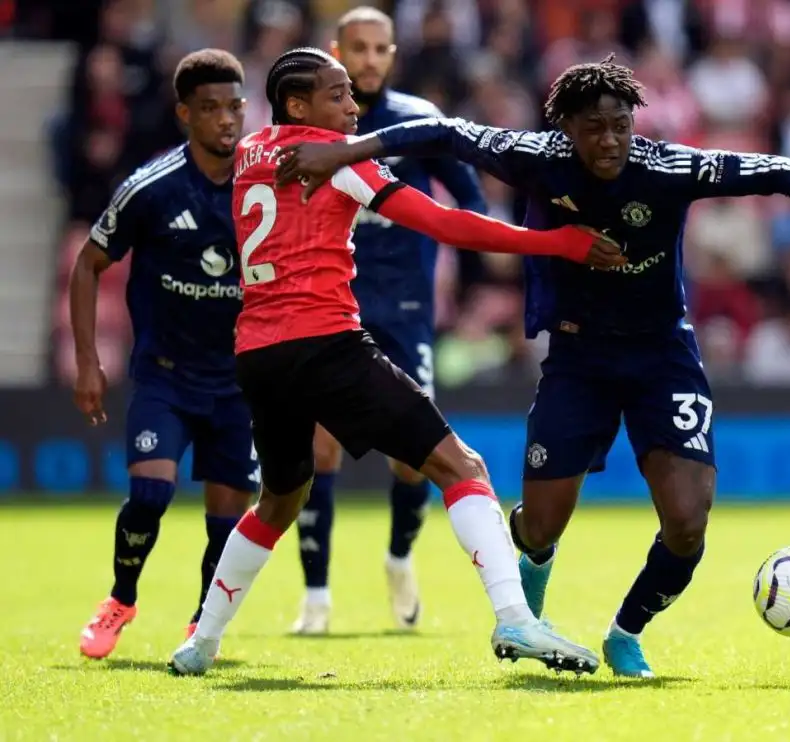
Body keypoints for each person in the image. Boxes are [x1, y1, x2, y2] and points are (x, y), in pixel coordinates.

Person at [274, 55, 790, 678]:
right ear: (564, 127)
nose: (609, 140)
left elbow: (776, 169)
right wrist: (349, 150)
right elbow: (444, 133)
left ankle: (626, 633)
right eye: (593, 128)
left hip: (663, 356)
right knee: (539, 528)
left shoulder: (665, 167)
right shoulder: (536, 158)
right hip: (578, 358)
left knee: (687, 521)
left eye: (620, 125)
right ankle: (530, 593)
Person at [168, 47, 624, 677]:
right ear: (298, 105)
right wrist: (558, 243)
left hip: (257, 353)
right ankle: (517, 621)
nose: (354, 108)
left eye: (352, 94)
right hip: (325, 342)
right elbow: (447, 225)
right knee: (461, 465)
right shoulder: (341, 165)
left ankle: (201, 642)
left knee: (279, 496)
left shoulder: (248, 154)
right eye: (337, 96)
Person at [289, 6, 493, 637]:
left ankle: (399, 558)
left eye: (381, 48)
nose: (370, 59)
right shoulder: (310, 130)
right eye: (358, 48)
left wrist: (471, 269)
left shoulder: (417, 122)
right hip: (328, 309)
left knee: (413, 460)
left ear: (394, 54)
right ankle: (316, 598)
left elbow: (472, 199)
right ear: (336, 51)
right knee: (317, 448)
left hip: (405, 315)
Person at [71, 50, 258, 660]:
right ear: (185, 114)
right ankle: (121, 598)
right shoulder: (150, 189)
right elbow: (87, 265)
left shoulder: (264, 187)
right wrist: (89, 361)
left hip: (238, 383)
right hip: (165, 378)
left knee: (226, 520)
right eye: (211, 109)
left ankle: (203, 625)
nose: (227, 120)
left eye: (235, 106)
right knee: (150, 494)